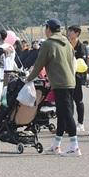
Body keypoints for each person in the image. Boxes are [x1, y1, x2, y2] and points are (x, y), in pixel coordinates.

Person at [27, 19, 79, 155]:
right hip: (70, 81)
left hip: (60, 83)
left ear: (48, 29)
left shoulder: (48, 44)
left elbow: (39, 64)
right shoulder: (67, 42)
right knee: (61, 113)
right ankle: (56, 145)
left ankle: (74, 146)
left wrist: (28, 79)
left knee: (66, 113)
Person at [67, 25, 88, 130]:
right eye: (68, 31)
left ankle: (80, 123)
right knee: (68, 101)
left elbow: (83, 63)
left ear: (77, 33)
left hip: (77, 77)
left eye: (71, 31)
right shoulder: (66, 44)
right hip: (66, 76)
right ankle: (69, 123)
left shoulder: (81, 47)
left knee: (78, 100)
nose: (69, 33)